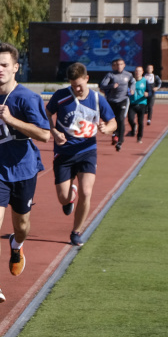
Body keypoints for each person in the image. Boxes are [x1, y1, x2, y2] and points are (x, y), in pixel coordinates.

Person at [0, 43, 50, 305]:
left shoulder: (27, 98)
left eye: (4, 64)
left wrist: (12, 120)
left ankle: (16, 245)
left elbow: (45, 135)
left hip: (24, 169)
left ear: (16, 67)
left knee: (22, 226)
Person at [45, 62, 116, 246]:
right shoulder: (61, 96)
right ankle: (70, 195)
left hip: (87, 150)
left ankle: (76, 231)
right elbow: (46, 113)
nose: (76, 89)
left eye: (79, 85)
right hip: (64, 153)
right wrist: (53, 131)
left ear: (87, 79)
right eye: (73, 85)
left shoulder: (98, 99)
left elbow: (113, 122)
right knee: (63, 198)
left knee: (87, 191)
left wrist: (106, 129)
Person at [98, 58, 132, 152]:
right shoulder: (110, 75)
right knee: (112, 119)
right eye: (117, 65)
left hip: (123, 100)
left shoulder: (128, 75)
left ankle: (120, 141)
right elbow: (102, 86)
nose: (119, 66)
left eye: (121, 64)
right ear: (113, 66)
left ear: (124, 65)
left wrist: (132, 89)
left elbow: (132, 83)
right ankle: (114, 134)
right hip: (111, 101)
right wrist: (111, 86)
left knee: (121, 119)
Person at [127, 66, 149, 143]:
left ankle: (139, 137)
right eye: (136, 71)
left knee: (140, 121)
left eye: (139, 71)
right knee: (130, 118)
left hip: (142, 103)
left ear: (142, 72)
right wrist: (129, 92)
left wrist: (148, 93)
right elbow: (127, 90)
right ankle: (133, 127)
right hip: (132, 103)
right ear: (134, 72)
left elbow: (150, 91)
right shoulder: (131, 81)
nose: (138, 72)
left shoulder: (145, 81)